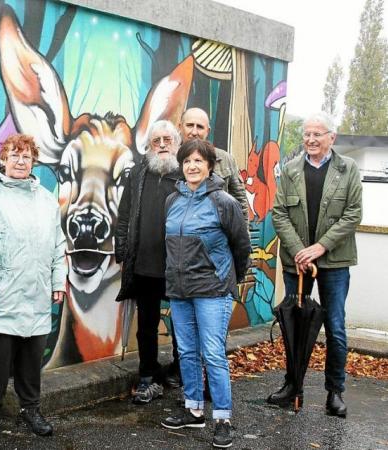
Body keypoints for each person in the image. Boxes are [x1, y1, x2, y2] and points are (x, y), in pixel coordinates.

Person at [0, 134, 67, 438]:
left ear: (34, 161)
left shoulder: (46, 199)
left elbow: (58, 244)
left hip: (35, 292)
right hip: (0, 292)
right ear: (3, 160)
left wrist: (57, 281)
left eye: (26, 156)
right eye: (14, 155)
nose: (20, 161)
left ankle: (31, 409)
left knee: (31, 355)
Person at [268, 112, 362, 417]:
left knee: (335, 327)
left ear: (331, 137)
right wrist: (300, 251)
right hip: (298, 263)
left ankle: (334, 392)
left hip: (334, 261)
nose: (310, 139)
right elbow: (279, 214)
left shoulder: (348, 170)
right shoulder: (291, 170)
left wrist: (319, 248)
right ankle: (293, 386)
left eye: (317, 134)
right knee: (294, 325)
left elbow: (353, 215)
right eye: (307, 134)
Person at [160, 139, 250, 449]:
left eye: (199, 161)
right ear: (181, 166)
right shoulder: (172, 200)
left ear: (210, 165)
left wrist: (228, 280)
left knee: (212, 353)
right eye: (187, 161)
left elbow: (242, 246)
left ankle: (222, 418)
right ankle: (194, 409)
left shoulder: (224, 201)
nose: (192, 166)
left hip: (212, 290)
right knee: (186, 351)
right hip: (180, 289)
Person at [115, 119, 181, 404]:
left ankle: (182, 373)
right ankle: (147, 377)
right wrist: (122, 254)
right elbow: (125, 216)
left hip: (178, 266)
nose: (163, 145)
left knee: (182, 324)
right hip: (144, 264)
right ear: (149, 146)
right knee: (146, 325)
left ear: (176, 144)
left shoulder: (185, 174)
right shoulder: (138, 173)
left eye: (168, 139)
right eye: (157, 141)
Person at [179, 107, 248, 217]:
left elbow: (240, 202)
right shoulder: (170, 161)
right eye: (190, 125)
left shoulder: (225, 159)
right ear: (180, 127)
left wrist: (243, 233)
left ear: (208, 131)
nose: (194, 132)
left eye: (200, 127)